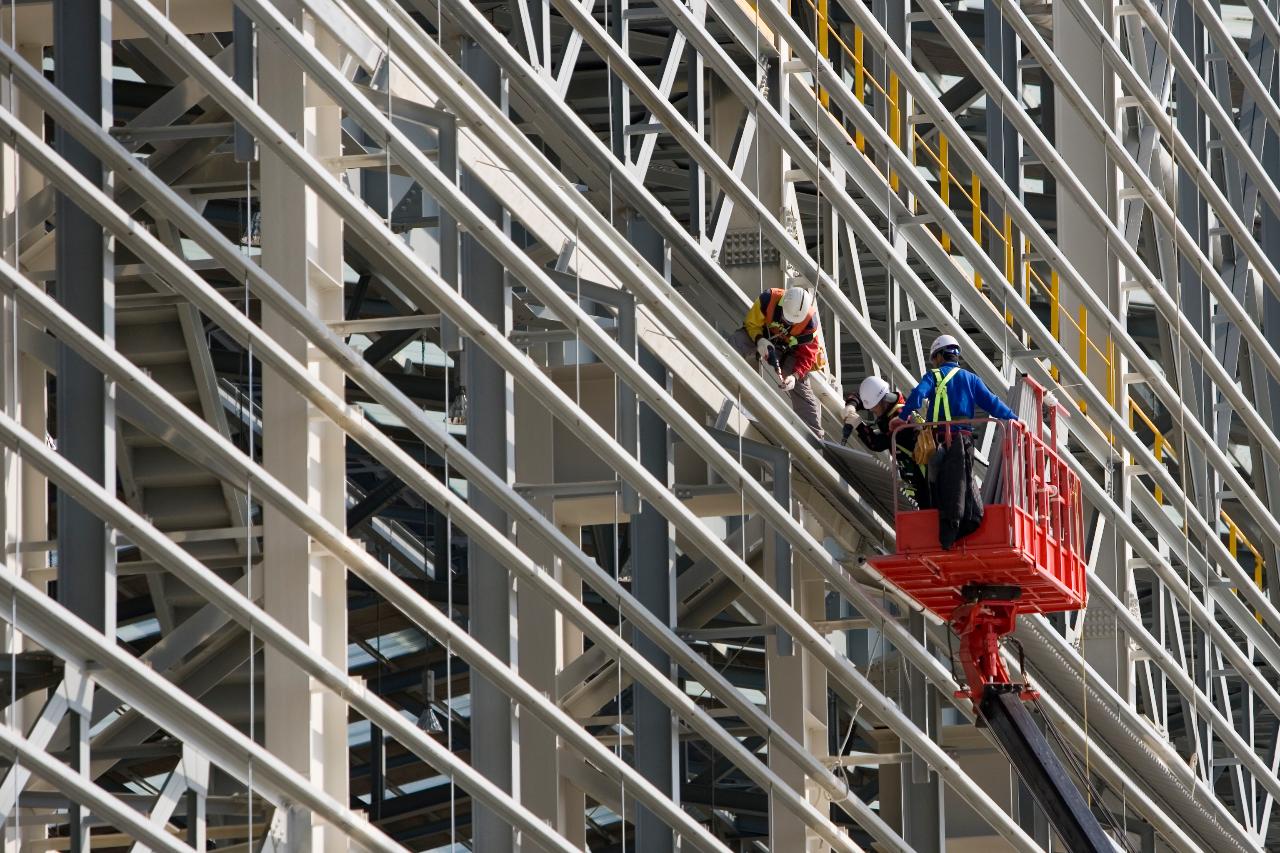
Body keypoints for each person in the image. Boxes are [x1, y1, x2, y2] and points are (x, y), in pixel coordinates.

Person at [897, 334, 1018, 548]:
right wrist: (1015, 420)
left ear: (939, 356)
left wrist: (901, 417)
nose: (934, 363)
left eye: (934, 359)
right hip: (964, 443)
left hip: (938, 444)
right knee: (962, 481)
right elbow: (993, 404)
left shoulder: (933, 376)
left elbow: (917, 396)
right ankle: (963, 521)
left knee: (936, 485)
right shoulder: (971, 380)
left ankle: (943, 527)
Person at [729, 287, 824, 439]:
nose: (788, 322)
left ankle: (814, 438)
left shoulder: (809, 322)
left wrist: (795, 375)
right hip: (763, 336)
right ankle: (722, 379)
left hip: (790, 352)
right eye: (787, 318)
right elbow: (751, 324)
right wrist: (759, 340)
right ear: (783, 303)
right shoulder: (768, 299)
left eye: (793, 321)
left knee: (802, 390)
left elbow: (808, 356)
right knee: (737, 341)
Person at [842, 375, 931, 508]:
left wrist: (859, 425)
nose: (872, 411)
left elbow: (876, 443)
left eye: (873, 408)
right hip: (916, 473)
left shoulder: (901, 421)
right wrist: (851, 405)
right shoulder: (892, 403)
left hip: (924, 478)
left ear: (884, 401)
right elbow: (865, 398)